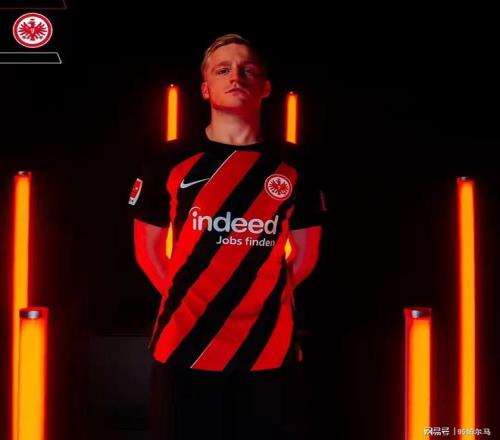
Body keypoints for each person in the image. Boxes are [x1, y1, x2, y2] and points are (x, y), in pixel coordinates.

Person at [128, 33, 325, 440]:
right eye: (223, 70)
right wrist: (197, 302)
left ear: (265, 87)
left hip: (268, 352)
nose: (235, 76)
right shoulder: (169, 159)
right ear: (205, 89)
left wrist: (258, 300)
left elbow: (306, 256)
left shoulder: (295, 164)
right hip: (183, 347)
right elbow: (149, 251)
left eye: (247, 69)